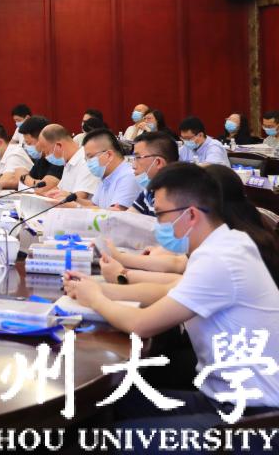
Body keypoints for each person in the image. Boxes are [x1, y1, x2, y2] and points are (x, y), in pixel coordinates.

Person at [63, 163, 279, 428]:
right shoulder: (225, 244)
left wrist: (96, 298)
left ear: (191, 214)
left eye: (161, 214)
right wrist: (95, 288)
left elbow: (140, 324)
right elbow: (168, 291)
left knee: (103, 435)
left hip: (253, 419)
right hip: (222, 400)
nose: (158, 225)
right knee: (107, 404)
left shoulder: (220, 259)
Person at [36, 123, 100, 205]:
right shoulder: (68, 161)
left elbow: (78, 198)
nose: (46, 157)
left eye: (47, 152)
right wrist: (44, 195)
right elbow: (60, 190)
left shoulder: (86, 161)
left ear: (59, 145)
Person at [81, 129, 140, 209]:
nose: (88, 162)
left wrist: (77, 207)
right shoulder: (106, 175)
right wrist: (72, 199)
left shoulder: (128, 176)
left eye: (91, 157)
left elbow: (114, 213)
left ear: (109, 155)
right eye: (86, 159)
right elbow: (94, 205)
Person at [129, 130, 179, 216]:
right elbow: (129, 216)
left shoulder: (178, 197)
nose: (133, 166)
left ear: (158, 162)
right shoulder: (150, 189)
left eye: (138, 157)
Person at [16, 116, 62, 190]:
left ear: (42, 138)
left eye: (29, 143)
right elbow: (26, 178)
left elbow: (44, 187)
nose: (27, 148)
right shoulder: (42, 158)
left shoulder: (58, 158)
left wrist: (24, 177)